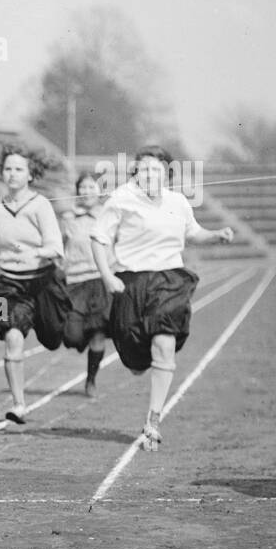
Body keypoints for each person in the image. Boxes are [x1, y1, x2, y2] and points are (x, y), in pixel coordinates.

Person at [90, 145, 234, 451]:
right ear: (135, 172)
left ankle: (153, 419)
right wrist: (106, 276)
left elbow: (192, 232)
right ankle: (138, 361)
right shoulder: (121, 198)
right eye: (144, 169)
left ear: (166, 174)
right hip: (131, 281)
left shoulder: (177, 202)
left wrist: (216, 235)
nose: (150, 175)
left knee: (164, 343)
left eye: (156, 170)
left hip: (169, 279)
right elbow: (99, 238)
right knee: (133, 356)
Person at [0, 145, 67, 425]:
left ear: (30, 175)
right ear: (1, 172)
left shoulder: (40, 205)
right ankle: (19, 404)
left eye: (18, 169)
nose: (12, 174)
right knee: (8, 330)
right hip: (8, 285)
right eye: (7, 168)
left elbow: (55, 246)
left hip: (44, 281)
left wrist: (37, 252)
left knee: (53, 336)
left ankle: (43, 325)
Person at [59, 172, 113, 398]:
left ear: (99, 191)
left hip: (100, 280)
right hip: (75, 280)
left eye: (92, 187)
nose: (87, 191)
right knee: (72, 335)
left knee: (98, 333)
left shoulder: (109, 215)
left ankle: (91, 379)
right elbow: (58, 245)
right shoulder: (68, 217)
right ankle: (80, 341)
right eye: (83, 187)